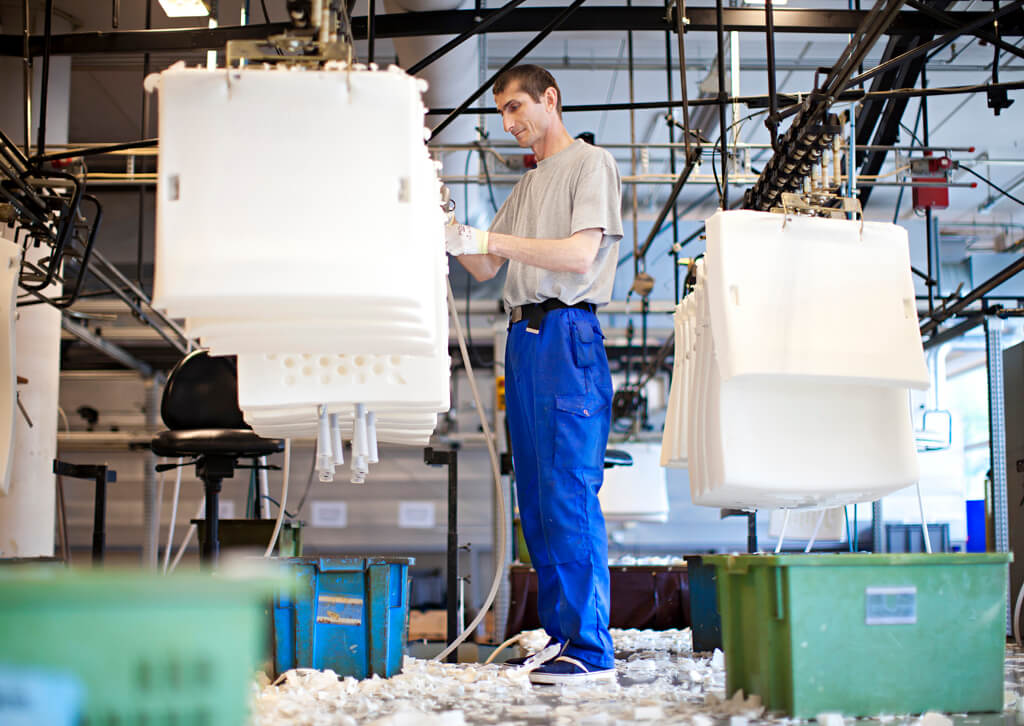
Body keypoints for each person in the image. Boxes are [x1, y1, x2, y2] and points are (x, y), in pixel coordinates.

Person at [444, 64, 623, 685]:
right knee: (538, 500)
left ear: (551, 99)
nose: (510, 122)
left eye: (517, 107)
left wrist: (486, 234)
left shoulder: (588, 165)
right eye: (501, 113)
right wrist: (443, 223)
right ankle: (562, 635)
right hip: (522, 339)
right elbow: (486, 266)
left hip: (565, 334)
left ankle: (591, 650)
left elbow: (578, 255)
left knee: (567, 492)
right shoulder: (529, 185)